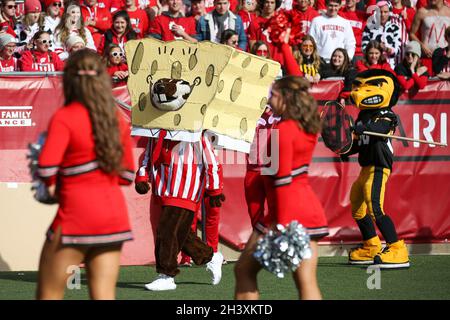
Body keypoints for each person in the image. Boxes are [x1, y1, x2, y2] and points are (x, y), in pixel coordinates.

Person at [36, 49, 135, 299]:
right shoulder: (116, 119)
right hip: (113, 218)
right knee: (103, 296)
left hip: (75, 217)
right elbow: (126, 176)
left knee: (48, 294)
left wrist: (54, 185)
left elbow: (46, 167)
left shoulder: (65, 117)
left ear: (69, 81)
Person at [234, 76, 329, 300]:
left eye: (273, 95)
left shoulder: (284, 131)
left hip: (287, 215)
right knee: (305, 281)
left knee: (243, 270)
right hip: (308, 213)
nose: (269, 99)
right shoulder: (306, 124)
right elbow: (298, 81)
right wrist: (285, 46)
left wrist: (282, 225)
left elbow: (282, 181)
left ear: (286, 98)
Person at [135, 130, 225, 291]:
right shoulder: (156, 130)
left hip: (186, 188)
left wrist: (214, 189)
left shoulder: (197, 131)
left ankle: (166, 275)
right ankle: (210, 256)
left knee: (166, 230)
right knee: (180, 233)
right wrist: (142, 175)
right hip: (164, 187)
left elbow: (211, 160)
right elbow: (149, 154)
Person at [346, 69, 410, 268]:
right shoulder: (362, 117)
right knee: (357, 205)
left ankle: (397, 248)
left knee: (375, 208)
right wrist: (345, 148)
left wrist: (360, 129)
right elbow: (357, 144)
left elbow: (379, 130)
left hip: (379, 166)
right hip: (365, 166)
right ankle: (371, 245)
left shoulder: (387, 115)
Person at [409, 0, 450, 76]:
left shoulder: (448, 12)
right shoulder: (422, 12)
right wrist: (422, 46)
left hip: (444, 60)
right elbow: (411, 34)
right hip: (427, 59)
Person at [361, 1, 401, 70]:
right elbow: (364, 48)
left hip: (389, 66)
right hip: (371, 66)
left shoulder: (395, 28)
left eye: (385, 12)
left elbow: (398, 50)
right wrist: (376, 49)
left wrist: (387, 49)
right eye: (380, 12)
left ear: (390, 13)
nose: (382, 14)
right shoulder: (369, 27)